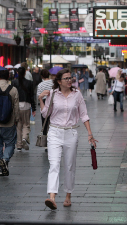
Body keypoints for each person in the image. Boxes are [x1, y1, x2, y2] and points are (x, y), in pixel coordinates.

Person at [39, 69, 97, 210]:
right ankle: (52, 197)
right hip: (54, 132)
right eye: (66, 78)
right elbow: (46, 113)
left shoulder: (77, 95)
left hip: (71, 133)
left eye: (70, 77)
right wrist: (41, 99)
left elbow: (84, 115)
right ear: (59, 81)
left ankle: (68, 195)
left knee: (70, 166)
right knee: (54, 164)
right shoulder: (53, 94)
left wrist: (90, 134)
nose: (69, 80)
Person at [11, 67, 36, 151]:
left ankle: (19, 145)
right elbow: (32, 96)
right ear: (25, 73)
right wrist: (34, 108)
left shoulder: (14, 82)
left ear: (17, 72)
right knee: (26, 124)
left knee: (18, 126)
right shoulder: (29, 83)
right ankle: (24, 138)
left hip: (17, 106)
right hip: (26, 105)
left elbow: (12, 95)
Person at [37, 69, 54, 152]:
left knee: (44, 122)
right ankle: (53, 141)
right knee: (53, 122)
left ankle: (46, 144)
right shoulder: (53, 83)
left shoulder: (40, 85)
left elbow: (38, 96)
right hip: (53, 102)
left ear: (42, 76)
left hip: (44, 103)